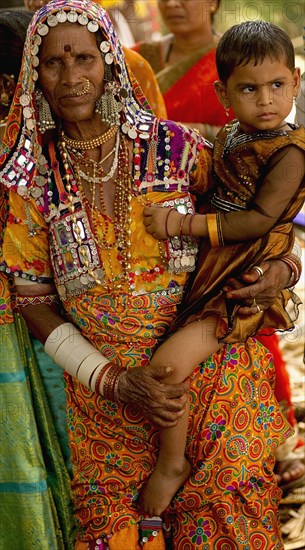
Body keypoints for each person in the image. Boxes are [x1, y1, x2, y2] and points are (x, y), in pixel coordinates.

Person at [0, 2, 301, 547]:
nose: (71, 77)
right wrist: (112, 380)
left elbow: (259, 219)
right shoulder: (31, 182)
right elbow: (31, 298)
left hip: (213, 381)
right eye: (52, 63)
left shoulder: (179, 148)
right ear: (32, 75)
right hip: (108, 399)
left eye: (85, 58)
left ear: (111, 63)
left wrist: (284, 269)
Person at [135, 0, 305, 491]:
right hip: (205, 272)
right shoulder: (233, 134)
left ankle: (172, 464)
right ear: (223, 93)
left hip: (237, 284)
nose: (267, 100)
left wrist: (180, 226)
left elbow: (255, 221)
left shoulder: (290, 152)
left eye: (277, 86)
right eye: (249, 89)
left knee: (167, 366)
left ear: (295, 81)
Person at [133, 0, 233, 142]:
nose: (171, 4)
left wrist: (201, 132)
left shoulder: (238, 60)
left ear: (212, 3)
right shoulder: (136, 59)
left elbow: (258, 134)